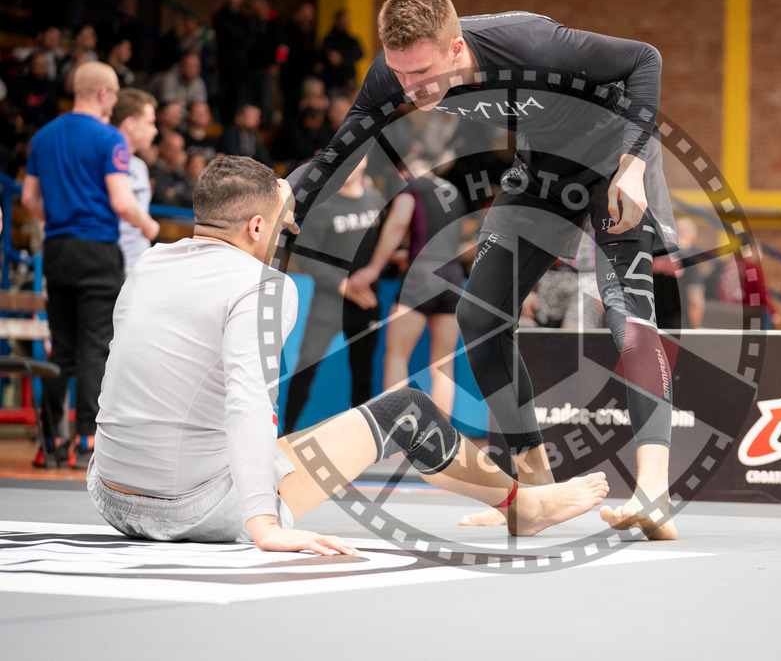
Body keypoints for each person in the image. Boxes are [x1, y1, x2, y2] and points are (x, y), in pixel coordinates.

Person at [288, 0, 680, 539]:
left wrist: (636, 163)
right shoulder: (395, 70)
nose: (412, 90)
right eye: (401, 76)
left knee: (627, 311)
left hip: (614, 156)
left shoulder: (531, 43)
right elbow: (339, 152)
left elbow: (644, 59)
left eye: (422, 75)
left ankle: (654, 493)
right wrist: (287, 196)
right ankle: (536, 492)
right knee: (478, 316)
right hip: (542, 170)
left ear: (455, 47)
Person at [87, 154, 609, 552]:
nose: (286, 232)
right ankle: (526, 505)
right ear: (255, 227)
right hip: (192, 508)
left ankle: (524, 500)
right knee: (408, 411)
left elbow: (120, 378)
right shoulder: (261, 286)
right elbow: (247, 400)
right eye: (283, 224)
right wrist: (264, 526)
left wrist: (280, 194)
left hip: (111, 495)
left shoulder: (150, 266)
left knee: (277, 438)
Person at [20, 61, 160, 469]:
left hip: (58, 248)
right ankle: (86, 441)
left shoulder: (43, 136)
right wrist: (149, 225)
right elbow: (121, 201)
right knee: (95, 346)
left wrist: (61, 220)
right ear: (104, 94)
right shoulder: (109, 139)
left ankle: (50, 443)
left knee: (60, 347)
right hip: (98, 248)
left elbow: (29, 199)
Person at [348, 160, 469, 416]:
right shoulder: (453, 191)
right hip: (452, 275)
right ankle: (442, 438)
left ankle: (396, 431)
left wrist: (374, 267)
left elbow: (399, 223)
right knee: (443, 366)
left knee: (396, 357)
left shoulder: (411, 185)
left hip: (420, 276)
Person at [283, 156, 385, 433]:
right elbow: (304, 256)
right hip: (329, 300)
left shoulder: (375, 198)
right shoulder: (323, 204)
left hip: (366, 300)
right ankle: (286, 434)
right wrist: (343, 286)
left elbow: (384, 243)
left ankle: (365, 441)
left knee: (363, 372)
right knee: (306, 366)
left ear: (365, 161)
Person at [111, 88, 159, 272]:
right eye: (150, 123)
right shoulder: (102, 161)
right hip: (110, 264)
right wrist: (148, 225)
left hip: (138, 265)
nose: (154, 131)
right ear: (130, 124)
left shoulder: (140, 166)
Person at [653, 215, 705, 329]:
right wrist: (696, 327)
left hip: (652, 325)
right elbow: (695, 300)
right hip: (680, 327)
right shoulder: (691, 260)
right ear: (693, 234)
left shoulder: (655, 257)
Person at [321, 8, 364, 97]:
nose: (345, 22)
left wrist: (342, 58)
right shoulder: (329, 40)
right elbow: (329, 58)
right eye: (343, 19)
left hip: (349, 78)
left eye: (347, 19)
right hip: (333, 80)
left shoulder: (352, 40)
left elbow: (360, 54)